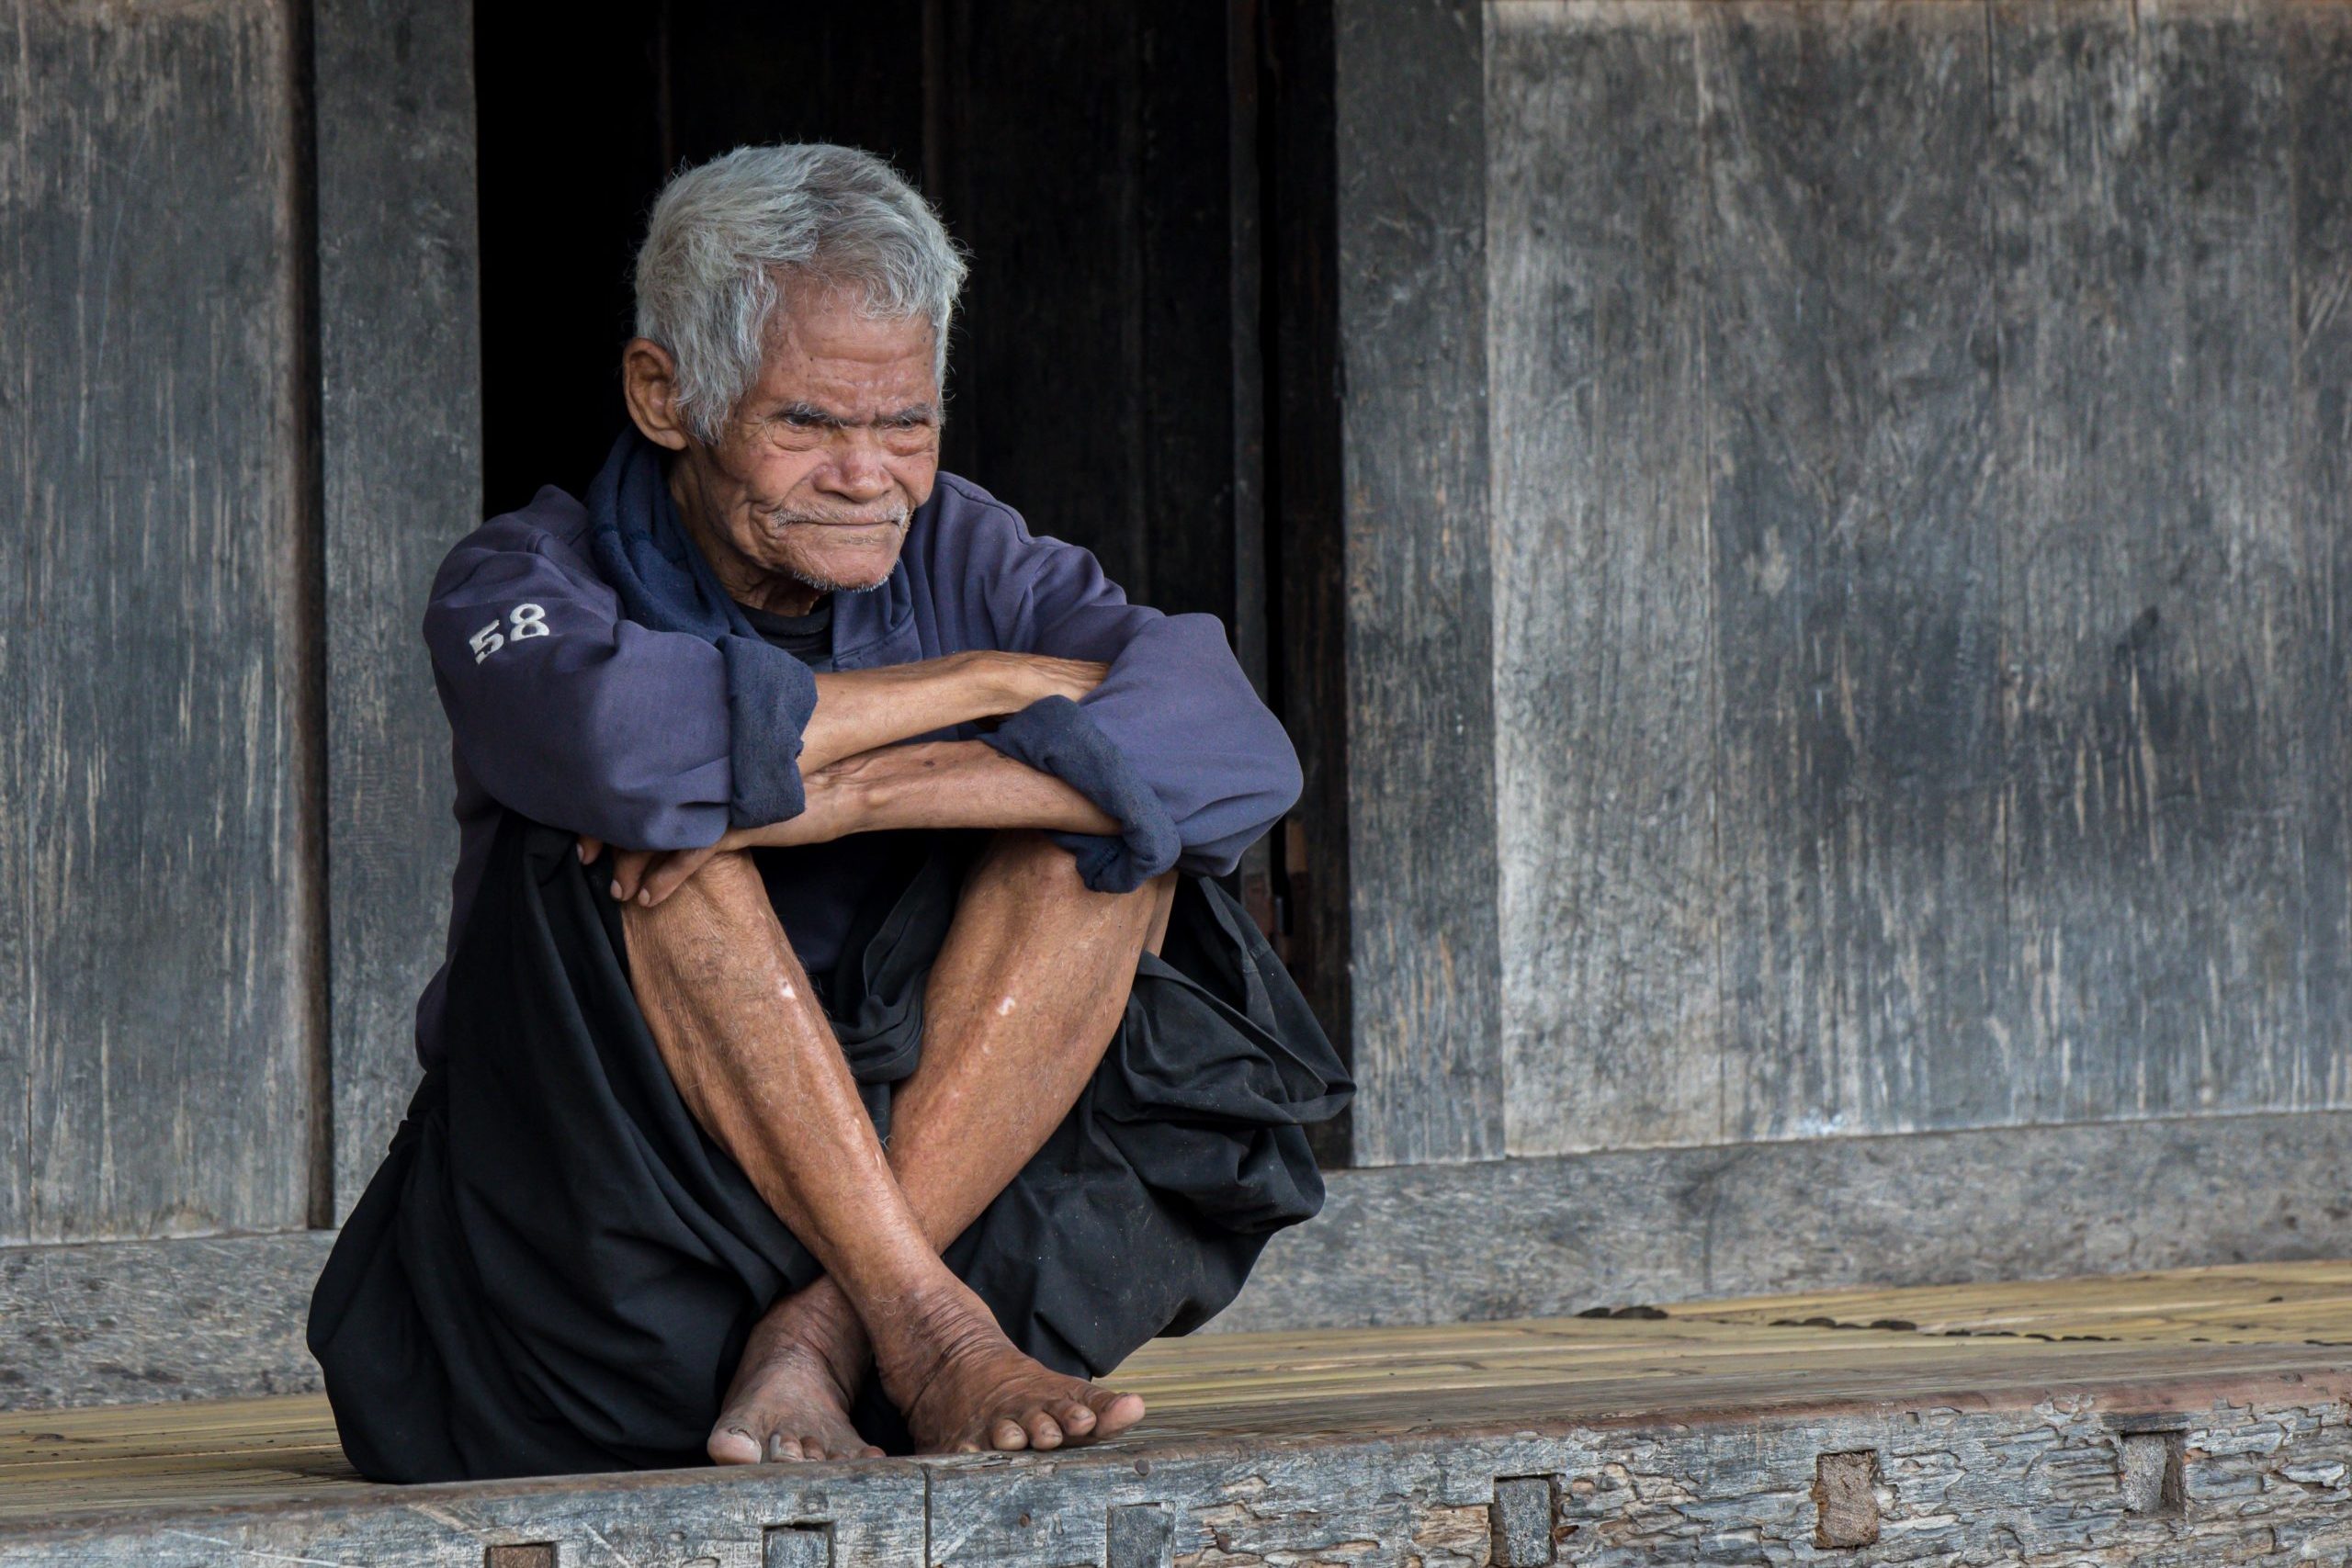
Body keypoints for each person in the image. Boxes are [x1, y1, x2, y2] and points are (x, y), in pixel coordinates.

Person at [306, 142, 1350, 1483]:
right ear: (664, 392)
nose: (868, 477)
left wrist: (856, 796)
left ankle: (840, 1329)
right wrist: (971, 685)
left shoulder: (974, 547)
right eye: (805, 424)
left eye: (904, 424)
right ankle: (907, 1319)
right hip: (595, 1271)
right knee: (658, 843)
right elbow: (621, 746)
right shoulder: (522, 573)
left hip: (940, 1216)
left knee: (1103, 843)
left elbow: (1238, 752)